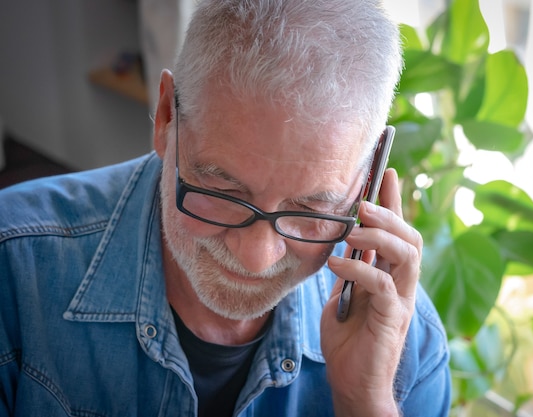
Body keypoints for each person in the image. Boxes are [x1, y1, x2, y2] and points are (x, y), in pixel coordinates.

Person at [0, 0, 451, 416]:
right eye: (223, 193)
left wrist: (363, 400)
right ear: (165, 119)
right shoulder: (14, 269)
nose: (257, 257)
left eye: (312, 211)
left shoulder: (410, 347)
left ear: (368, 180)